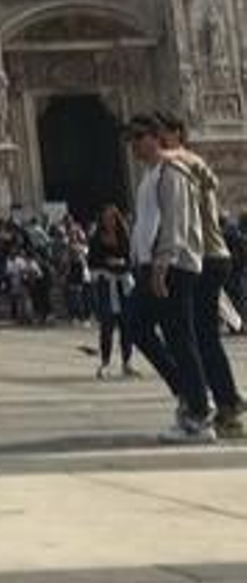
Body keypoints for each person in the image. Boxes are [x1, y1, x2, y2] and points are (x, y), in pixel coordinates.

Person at [155, 111, 245, 438]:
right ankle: (227, 402)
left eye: (161, 134)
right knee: (204, 335)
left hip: (203, 256)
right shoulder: (195, 164)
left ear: (177, 133)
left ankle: (211, 403)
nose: (156, 142)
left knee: (192, 335)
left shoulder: (180, 164)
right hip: (215, 254)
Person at [126, 114, 215, 444]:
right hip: (153, 267)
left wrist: (161, 265)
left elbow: (174, 222)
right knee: (137, 325)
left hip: (172, 267)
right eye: (130, 139)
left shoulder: (171, 172)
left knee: (180, 336)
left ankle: (198, 415)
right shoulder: (151, 174)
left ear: (157, 137)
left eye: (139, 137)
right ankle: (190, 394)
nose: (134, 145)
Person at [88, 204, 138, 380]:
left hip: (123, 283)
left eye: (113, 218)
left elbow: (132, 259)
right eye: (106, 218)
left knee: (127, 324)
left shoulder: (125, 237)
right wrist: (107, 263)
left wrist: (121, 264)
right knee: (107, 324)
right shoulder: (96, 239)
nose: (110, 222)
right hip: (105, 283)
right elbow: (92, 261)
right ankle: (105, 362)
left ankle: (127, 362)